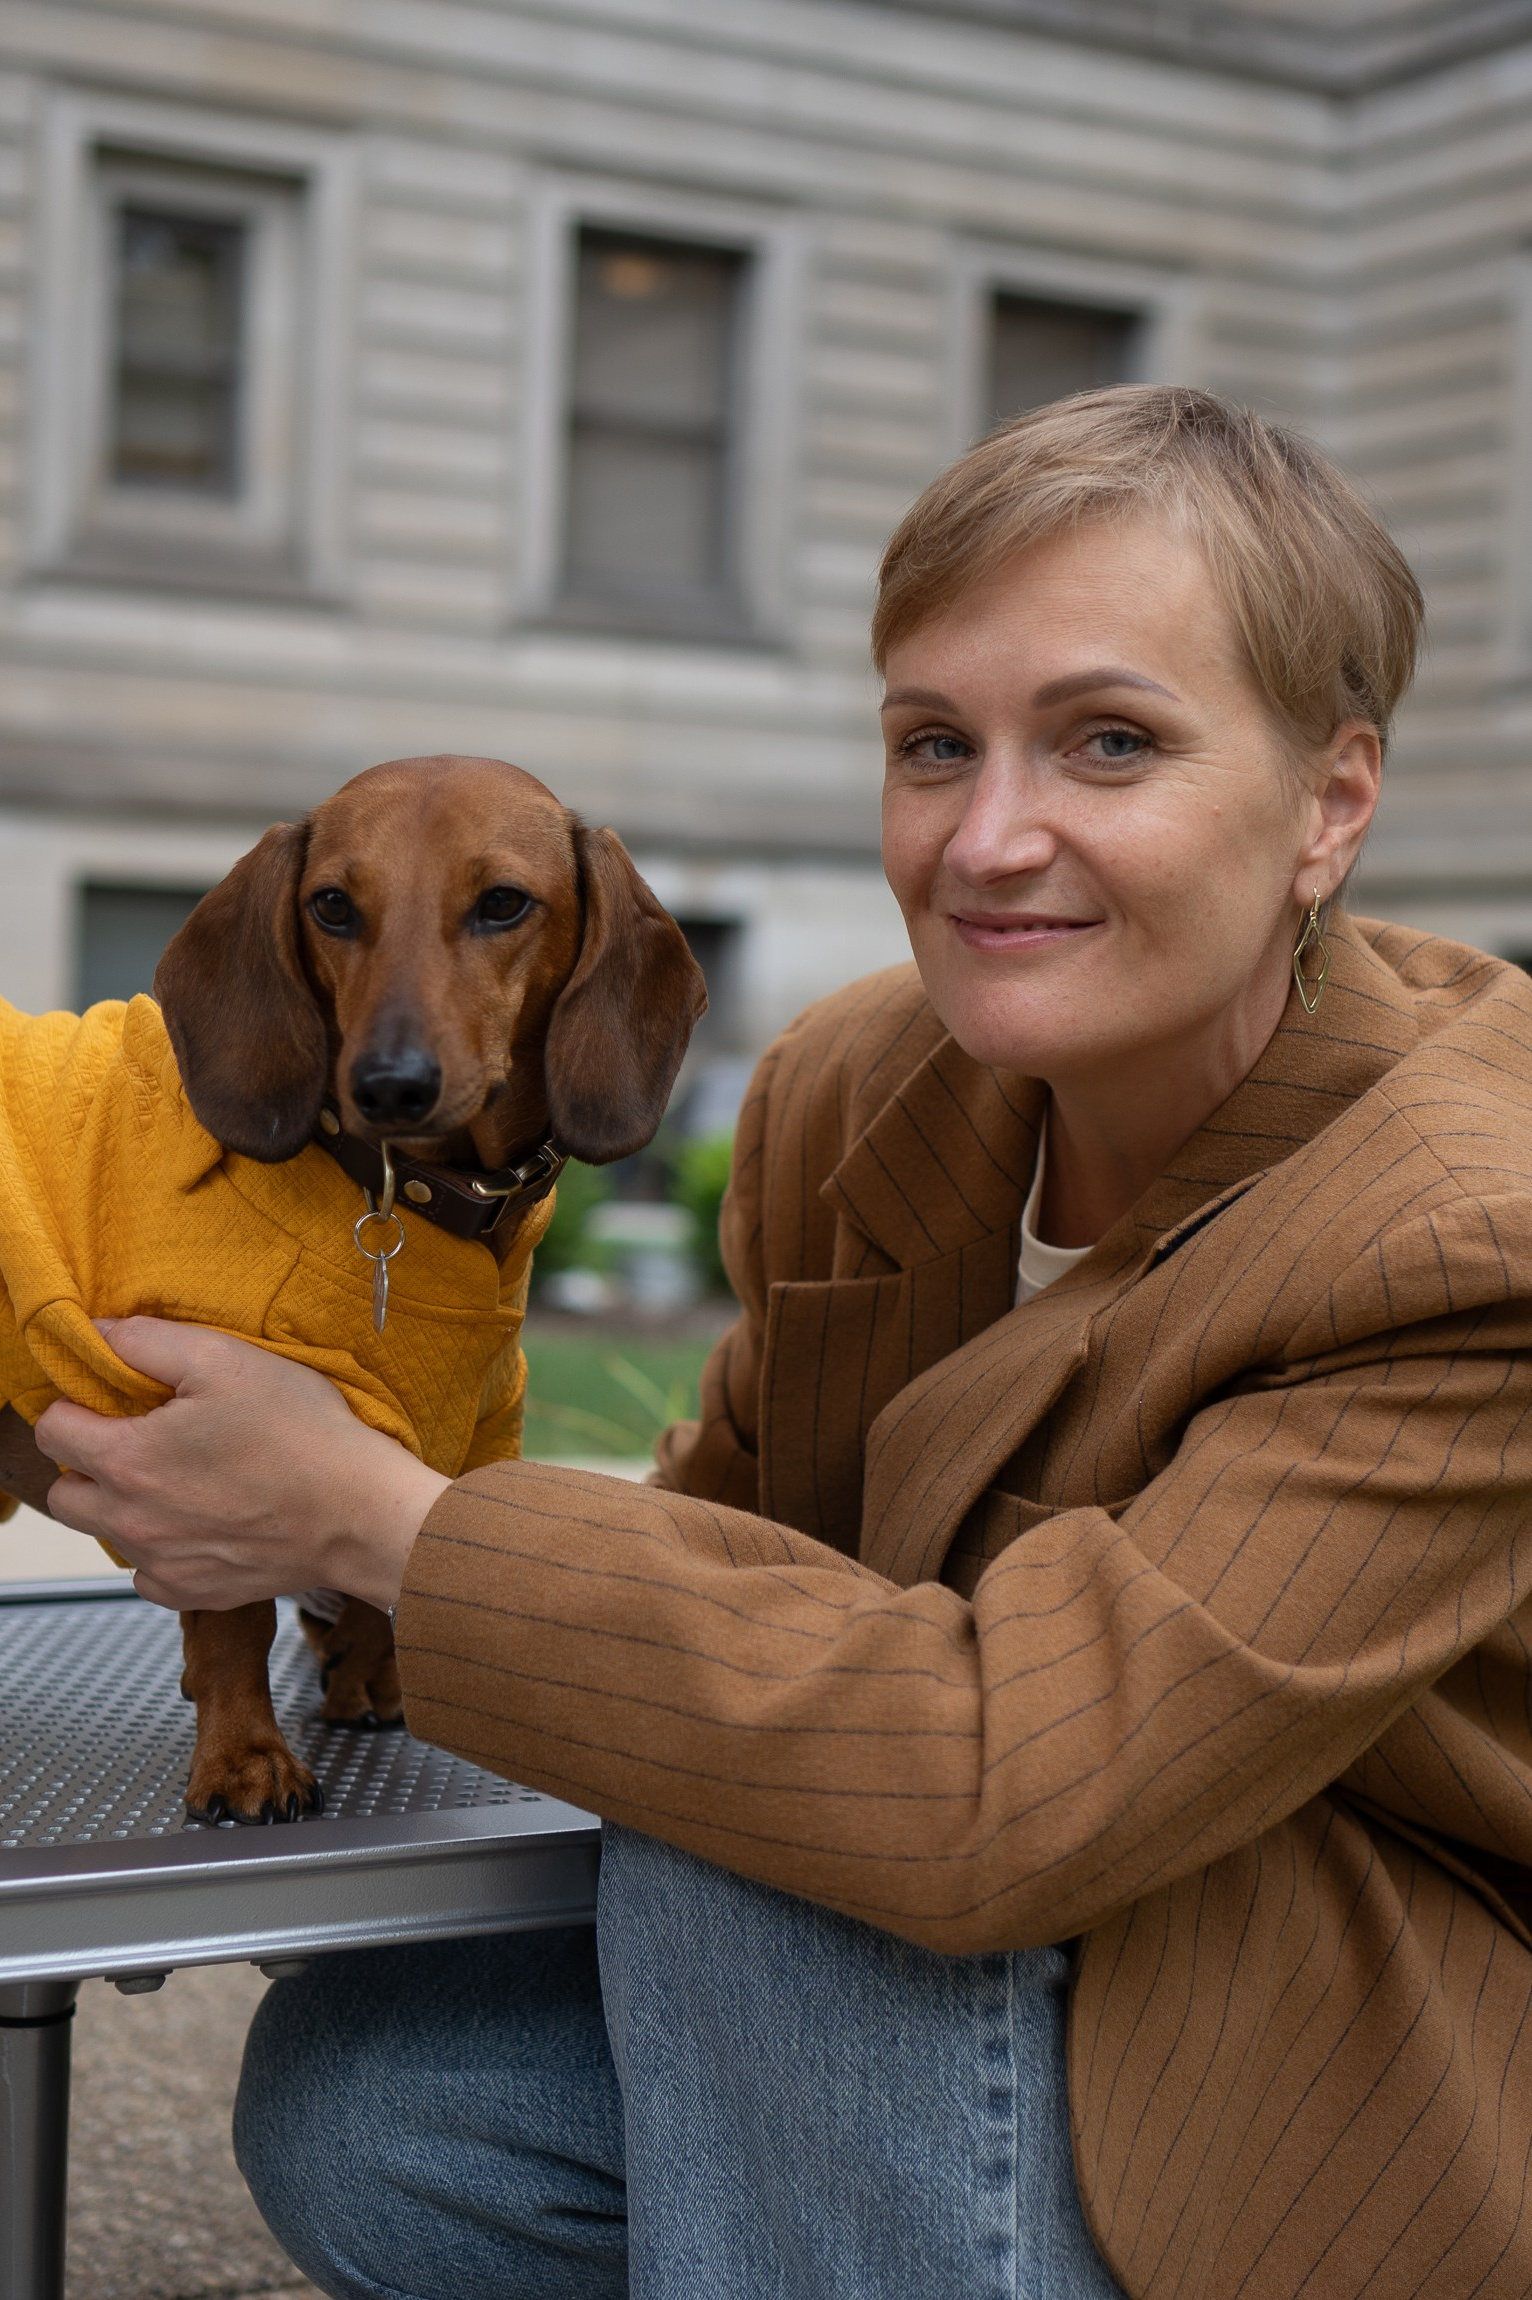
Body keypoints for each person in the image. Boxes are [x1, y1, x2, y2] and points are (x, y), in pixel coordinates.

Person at [38, 387, 1532, 2300]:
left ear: (1329, 805)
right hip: (1019, 1950)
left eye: (1109, 740)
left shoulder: (1465, 1234)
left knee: (754, 1848)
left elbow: (1005, 1780)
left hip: (1339, 2048)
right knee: (377, 2104)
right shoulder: (862, 1086)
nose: (989, 841)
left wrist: (374, 1524)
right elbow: (740, 1535)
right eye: (934, 743)